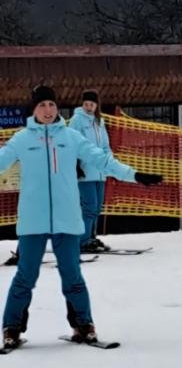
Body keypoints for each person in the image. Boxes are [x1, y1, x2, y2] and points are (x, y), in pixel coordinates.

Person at [0, 85, 163, 350]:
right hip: (32, 221)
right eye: (42, 105)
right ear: (34, 109)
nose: (48, 110)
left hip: (67, 219)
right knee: (25, 277)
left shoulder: (71, 137)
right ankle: (12, 329)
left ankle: (84, 325)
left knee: (72, 276)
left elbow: (102, 160)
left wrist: (134, 175)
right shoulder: (22, 139)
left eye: (51, 105)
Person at [68, 89, 112, 252]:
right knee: (89, 206)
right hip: (85, 172)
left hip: (99, 172)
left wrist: (109, 161)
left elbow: (106, 145)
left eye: (91, 104)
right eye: (86, 104)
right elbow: (71, 143)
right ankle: (83, 240)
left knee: (97, 207)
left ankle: (92, 237)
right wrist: (75, 164)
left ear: (96, 106)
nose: (88, 107)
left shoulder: (100, 122)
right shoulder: (77, 120)